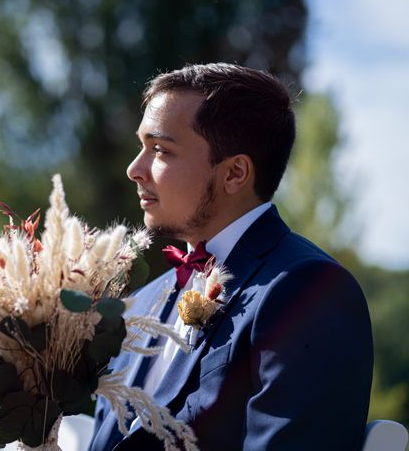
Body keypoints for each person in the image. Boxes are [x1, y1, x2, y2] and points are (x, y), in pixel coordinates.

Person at [89, 63, 373, 450]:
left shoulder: (308, 291)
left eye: (160, 150)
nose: (134, 169)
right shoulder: (141, 302)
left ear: (235, 173)